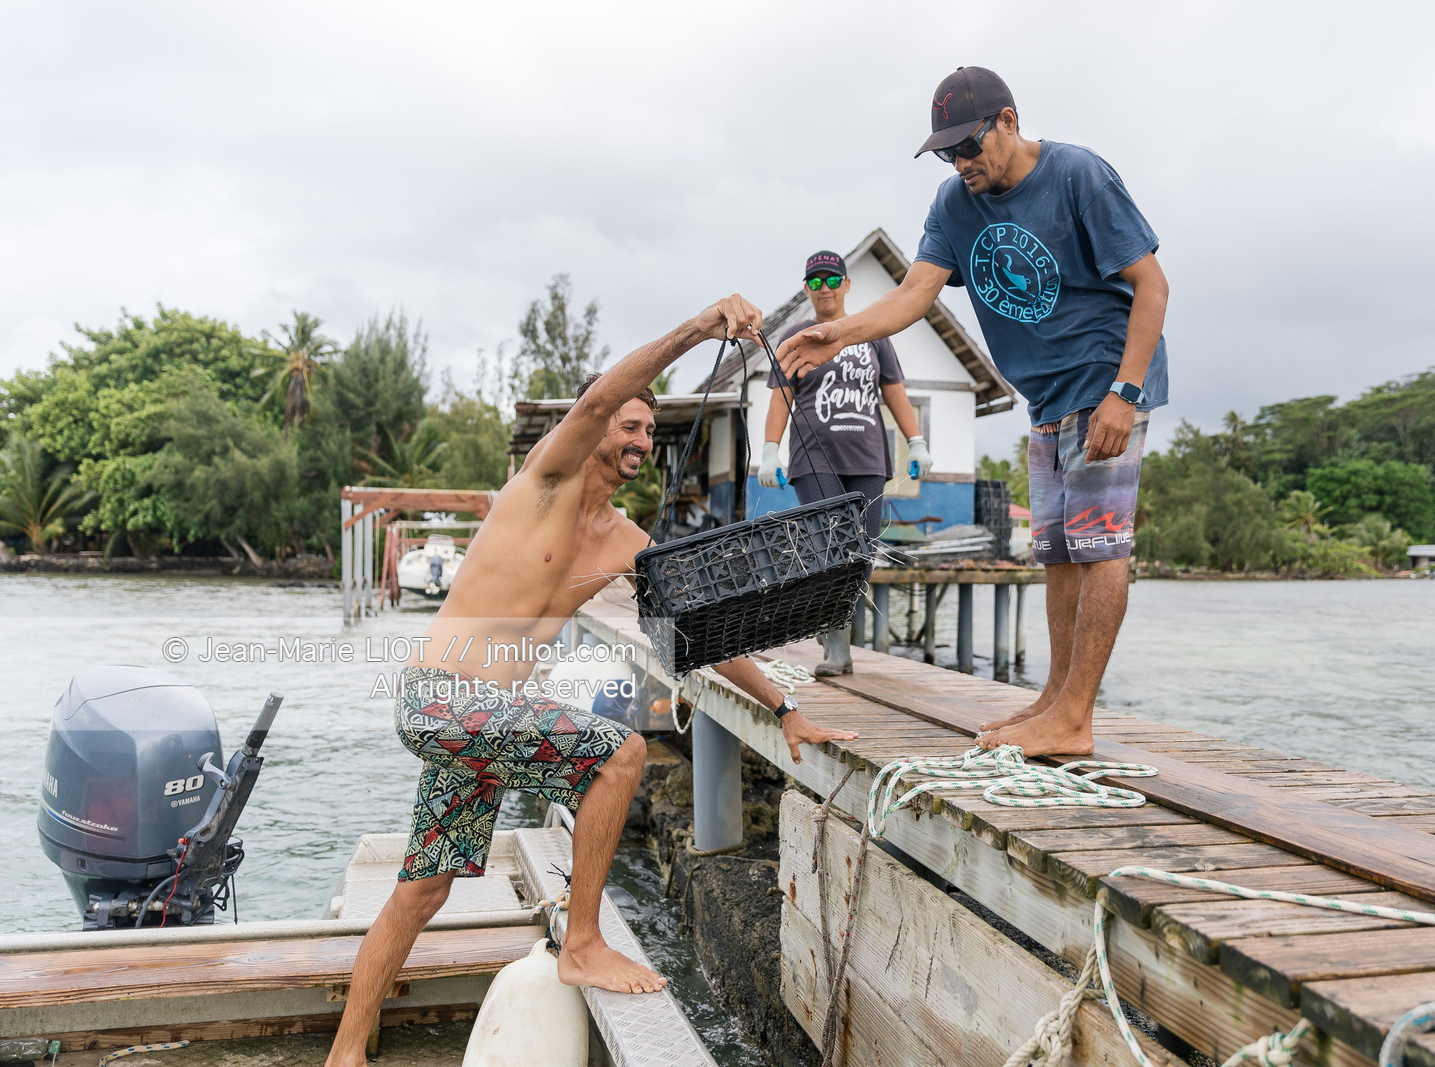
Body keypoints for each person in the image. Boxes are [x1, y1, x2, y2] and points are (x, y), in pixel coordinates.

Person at [325, 295, 858, 1067]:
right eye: (629, 424)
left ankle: (345, 1053)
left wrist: (786, 706)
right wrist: (699, 328)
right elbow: (605, 392)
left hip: (489, 719)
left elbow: (694, 634)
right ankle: (581, 942)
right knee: (619, 753)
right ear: (595, 427)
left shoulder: (627, 542)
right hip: (441, 692)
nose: (640, 436)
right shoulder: (544, 484)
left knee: (423, 888)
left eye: (649, 429)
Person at [775, 67, 1169, 757]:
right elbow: (912, 296)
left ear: (1009, 122)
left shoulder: (1078, 175)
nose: (962, 163)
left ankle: (1076, 717)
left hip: (1105, 382)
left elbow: (1152, 285)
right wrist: (836, 332)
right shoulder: (953, 205)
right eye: (949, 153)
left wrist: (1125, 393)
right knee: (1055, 553)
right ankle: (1053, 698)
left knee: (1100, 545)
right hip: (1045, 399)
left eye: (970, 146)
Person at [759, 249, 932, 676]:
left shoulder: (872, 334)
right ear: (806, 289)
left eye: (832, 279)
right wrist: (768, 450)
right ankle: (838, 647)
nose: (825, 288)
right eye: (815, 281)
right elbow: (782, 395)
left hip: (868, 456)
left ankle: (831, 620)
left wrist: (917, 441)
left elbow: (893, 390)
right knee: (828, 546)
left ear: (846, 285)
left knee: (863, 552)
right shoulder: (795, 336)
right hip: (813, 454)